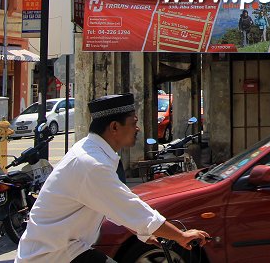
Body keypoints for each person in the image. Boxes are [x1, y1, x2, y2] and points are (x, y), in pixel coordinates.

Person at [16, 93, 208, 263]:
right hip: (51, 255)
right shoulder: (91, 164)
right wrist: (180, 236)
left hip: (68, 249)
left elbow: (111, 205)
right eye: (133, 123)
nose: (138, 128)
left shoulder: (92, 151)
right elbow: (129, 205)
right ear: (115, 127)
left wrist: (142, 231)